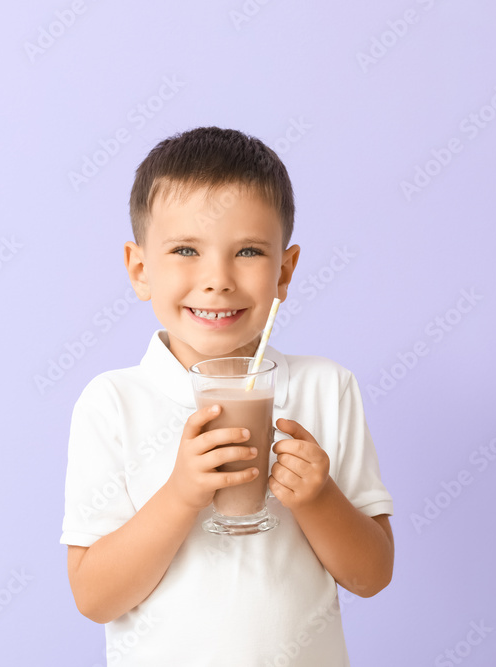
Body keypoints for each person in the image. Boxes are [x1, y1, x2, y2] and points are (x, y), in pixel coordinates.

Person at [60, 126, 394, 666]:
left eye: (248, 251)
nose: (217, 279)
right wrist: (180, 494)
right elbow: (94, 597)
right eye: (186, 249)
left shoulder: (326, 388)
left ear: (284, 272)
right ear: (140, 269)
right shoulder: (112, 402)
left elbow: (372, 575)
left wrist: (318, 497)